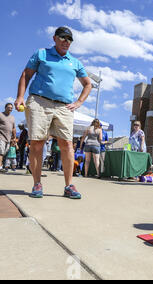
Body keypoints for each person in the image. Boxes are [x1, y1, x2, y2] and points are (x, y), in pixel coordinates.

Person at [14, 26, 92, 198]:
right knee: (37, 143)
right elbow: (26, 75)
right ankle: (37, 184)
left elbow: (88, 84)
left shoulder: (74, 62)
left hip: (64, 107)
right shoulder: (41, 54)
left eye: (69, 39)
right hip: (39, 102)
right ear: (54, 38)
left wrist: (78, 102)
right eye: (63, 38)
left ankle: (69, 185)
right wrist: (20, 97)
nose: (66, 42)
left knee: (67, 145)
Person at [0, 103, 16, 172]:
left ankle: (1, 166)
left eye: (11, 108)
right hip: (1, 136)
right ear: (5, 107)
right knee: (1, 152)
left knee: (4, 152)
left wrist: (14, 137)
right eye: (9, 107)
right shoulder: (0, 115)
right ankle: (0, 167)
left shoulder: (12, 117)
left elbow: (13, 128)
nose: (10, 109)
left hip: (8, 138)